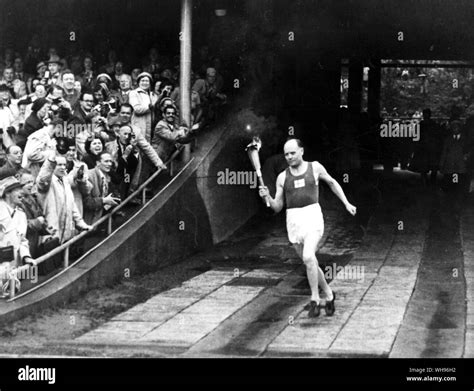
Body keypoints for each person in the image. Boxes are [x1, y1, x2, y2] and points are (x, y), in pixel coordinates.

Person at [258, 138, 357, 317]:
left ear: (301, 151)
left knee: (308, 255)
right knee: (309, 261)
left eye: (292, 153)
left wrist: (346, 203)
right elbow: (277, 207)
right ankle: (329, 293)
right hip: (294, 220)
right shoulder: (282, 177)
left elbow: (333, 183)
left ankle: (314, 298)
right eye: (286, 154)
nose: (289, 157)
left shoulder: (315, 167)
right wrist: (268, 198)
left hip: (312, 217)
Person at [35, 153, 92, 244]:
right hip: (49, 234)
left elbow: (72, 205)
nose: (62, 167)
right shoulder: (48, 182)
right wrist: (50, 162)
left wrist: (80, 223)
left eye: (64, 165)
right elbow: (43, 179)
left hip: (65, 234)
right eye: (59, 165)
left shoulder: (65, 181)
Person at [0, 176, 33, 267]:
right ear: (7, 193)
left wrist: (26, 256)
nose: (22, 192)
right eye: (17, 190)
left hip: (13, 266)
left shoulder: (21, 214)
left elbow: (22, 240)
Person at [84, 152, 120, 224]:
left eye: (110, 161)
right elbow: (86, 203)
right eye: (106, 161)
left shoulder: (107, 176)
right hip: (89, 221)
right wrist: (103, 201)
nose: (109, 164)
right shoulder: (89, 176)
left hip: (100, 218)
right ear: (98, 163)